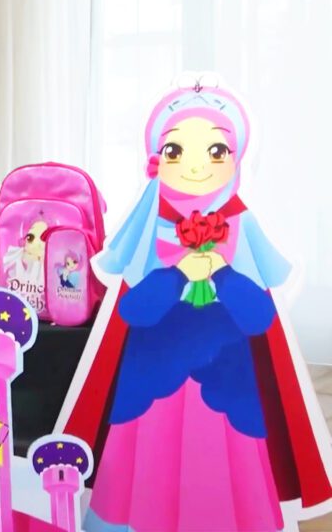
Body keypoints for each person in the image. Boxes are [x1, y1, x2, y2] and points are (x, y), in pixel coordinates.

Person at [57, 79, 332, 530]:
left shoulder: (242, 224)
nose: (196, 166)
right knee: (148, 462)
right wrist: (178, 274)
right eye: (175, 151)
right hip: (153, 374)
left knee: (223, 464)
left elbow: (260, 315)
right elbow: (132, 310)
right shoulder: (150, 224)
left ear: (236, 159)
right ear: (156, 159)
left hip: (225, 375)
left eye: (216, 151)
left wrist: (221, 274)